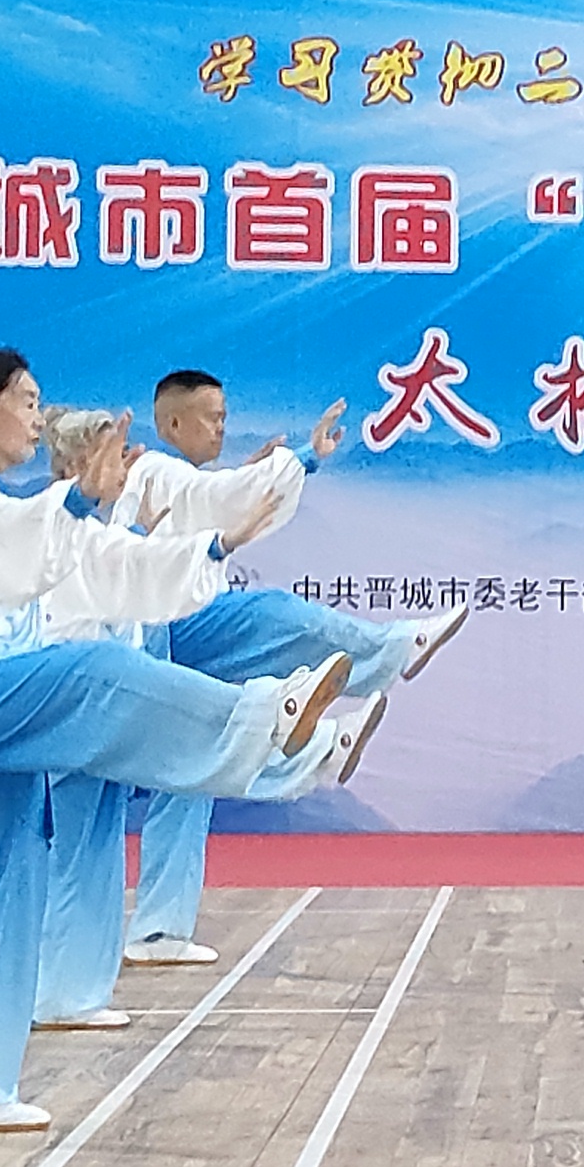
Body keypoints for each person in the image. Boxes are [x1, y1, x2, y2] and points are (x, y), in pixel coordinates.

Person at [0, 350, 358, 1134]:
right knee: (99, 674)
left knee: (11, 894)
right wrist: (78, 500)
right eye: (25, 402)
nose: (35, 418)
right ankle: (265, 726)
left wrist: (212, 548)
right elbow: (16, 546)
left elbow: (112, 565)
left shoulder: (14, 506)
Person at [111, 368, 451, 970]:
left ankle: (159, 930)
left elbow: (220, 500)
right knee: (274, 617)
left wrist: (266, 471)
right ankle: (387, 659)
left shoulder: (180, 479)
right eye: (212, 418)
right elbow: (221, 500)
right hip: (144, 633)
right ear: (172, 423)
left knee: (195, 765)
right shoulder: (155, 471)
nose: (221, 427)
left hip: (168, 632)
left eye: (225, 417)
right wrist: (300, 460)